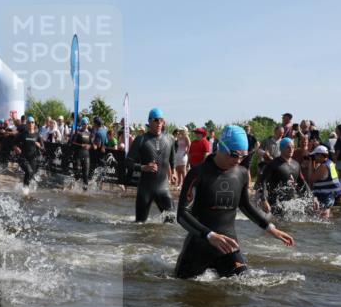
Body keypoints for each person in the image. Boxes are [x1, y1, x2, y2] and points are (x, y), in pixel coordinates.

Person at [175, 125, 294, 278]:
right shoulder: (198, 173)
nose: (238, 160)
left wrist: (270, 228)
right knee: (182, 289)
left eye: (243, 156)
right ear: (221, 147)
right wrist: (210, 235)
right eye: (234, 155)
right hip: (199, 245)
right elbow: (182, 215)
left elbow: (244, 205)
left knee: (245, 285)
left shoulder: (242, 174)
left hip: (228, 245)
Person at [126, 108, 176, 222]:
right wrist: (144, 167)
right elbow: (128, 162)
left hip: (163, 188)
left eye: (161, 120)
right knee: (139, 226)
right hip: (145, 189)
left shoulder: (170, 139)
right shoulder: (141, 139)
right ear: (149, 122)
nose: (159, 123)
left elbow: (172, 159)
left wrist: (173, 173)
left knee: (171, 219)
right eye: (156, 120)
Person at [255, 138, 307, 216]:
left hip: (290, 203)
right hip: (274, 203)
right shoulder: (273, 164)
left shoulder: (296, 164)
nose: (291, 149)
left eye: (293, 147)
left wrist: (313, 198)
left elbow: (302, 182)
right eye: (288, 147)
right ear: (282, 149)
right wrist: (264, 200)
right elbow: (263, 182)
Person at [307, 145, 341, 218]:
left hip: (326, 197)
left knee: (321, 219)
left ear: (320, 155)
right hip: (330, 195)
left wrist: (311, 162)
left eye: (315, 155)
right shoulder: (330, 163)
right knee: (325, 217)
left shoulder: (323, 167)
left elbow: (311, 179)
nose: (314, 157)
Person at [14, 116, 44, 187]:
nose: (31, 124)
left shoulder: (38, 135)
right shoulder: (22, 134)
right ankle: (25, 191)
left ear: (34, 124)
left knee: (30, 174)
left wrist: (39, 146)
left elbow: (43, 148)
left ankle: (24, 188)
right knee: (29, 171)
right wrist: (16, 147)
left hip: (33, 158)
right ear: (27, 124)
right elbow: (13, 142)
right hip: (23, 157)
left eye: (32, 122)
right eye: (29, 122)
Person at [70, 116, 93, 189]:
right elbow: (72, 143)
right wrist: (81, 145)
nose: (85, 125)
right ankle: (75, 188)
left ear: (88, 124)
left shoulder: (89, 134)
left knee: (85, 174)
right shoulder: (78, 133)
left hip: (86, 155)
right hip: (78, 155)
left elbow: (91, 144)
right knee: (77, 172)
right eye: (83, 124)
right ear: (81, 124)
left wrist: (90, 146)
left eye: (86, 124)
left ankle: (85, 190)